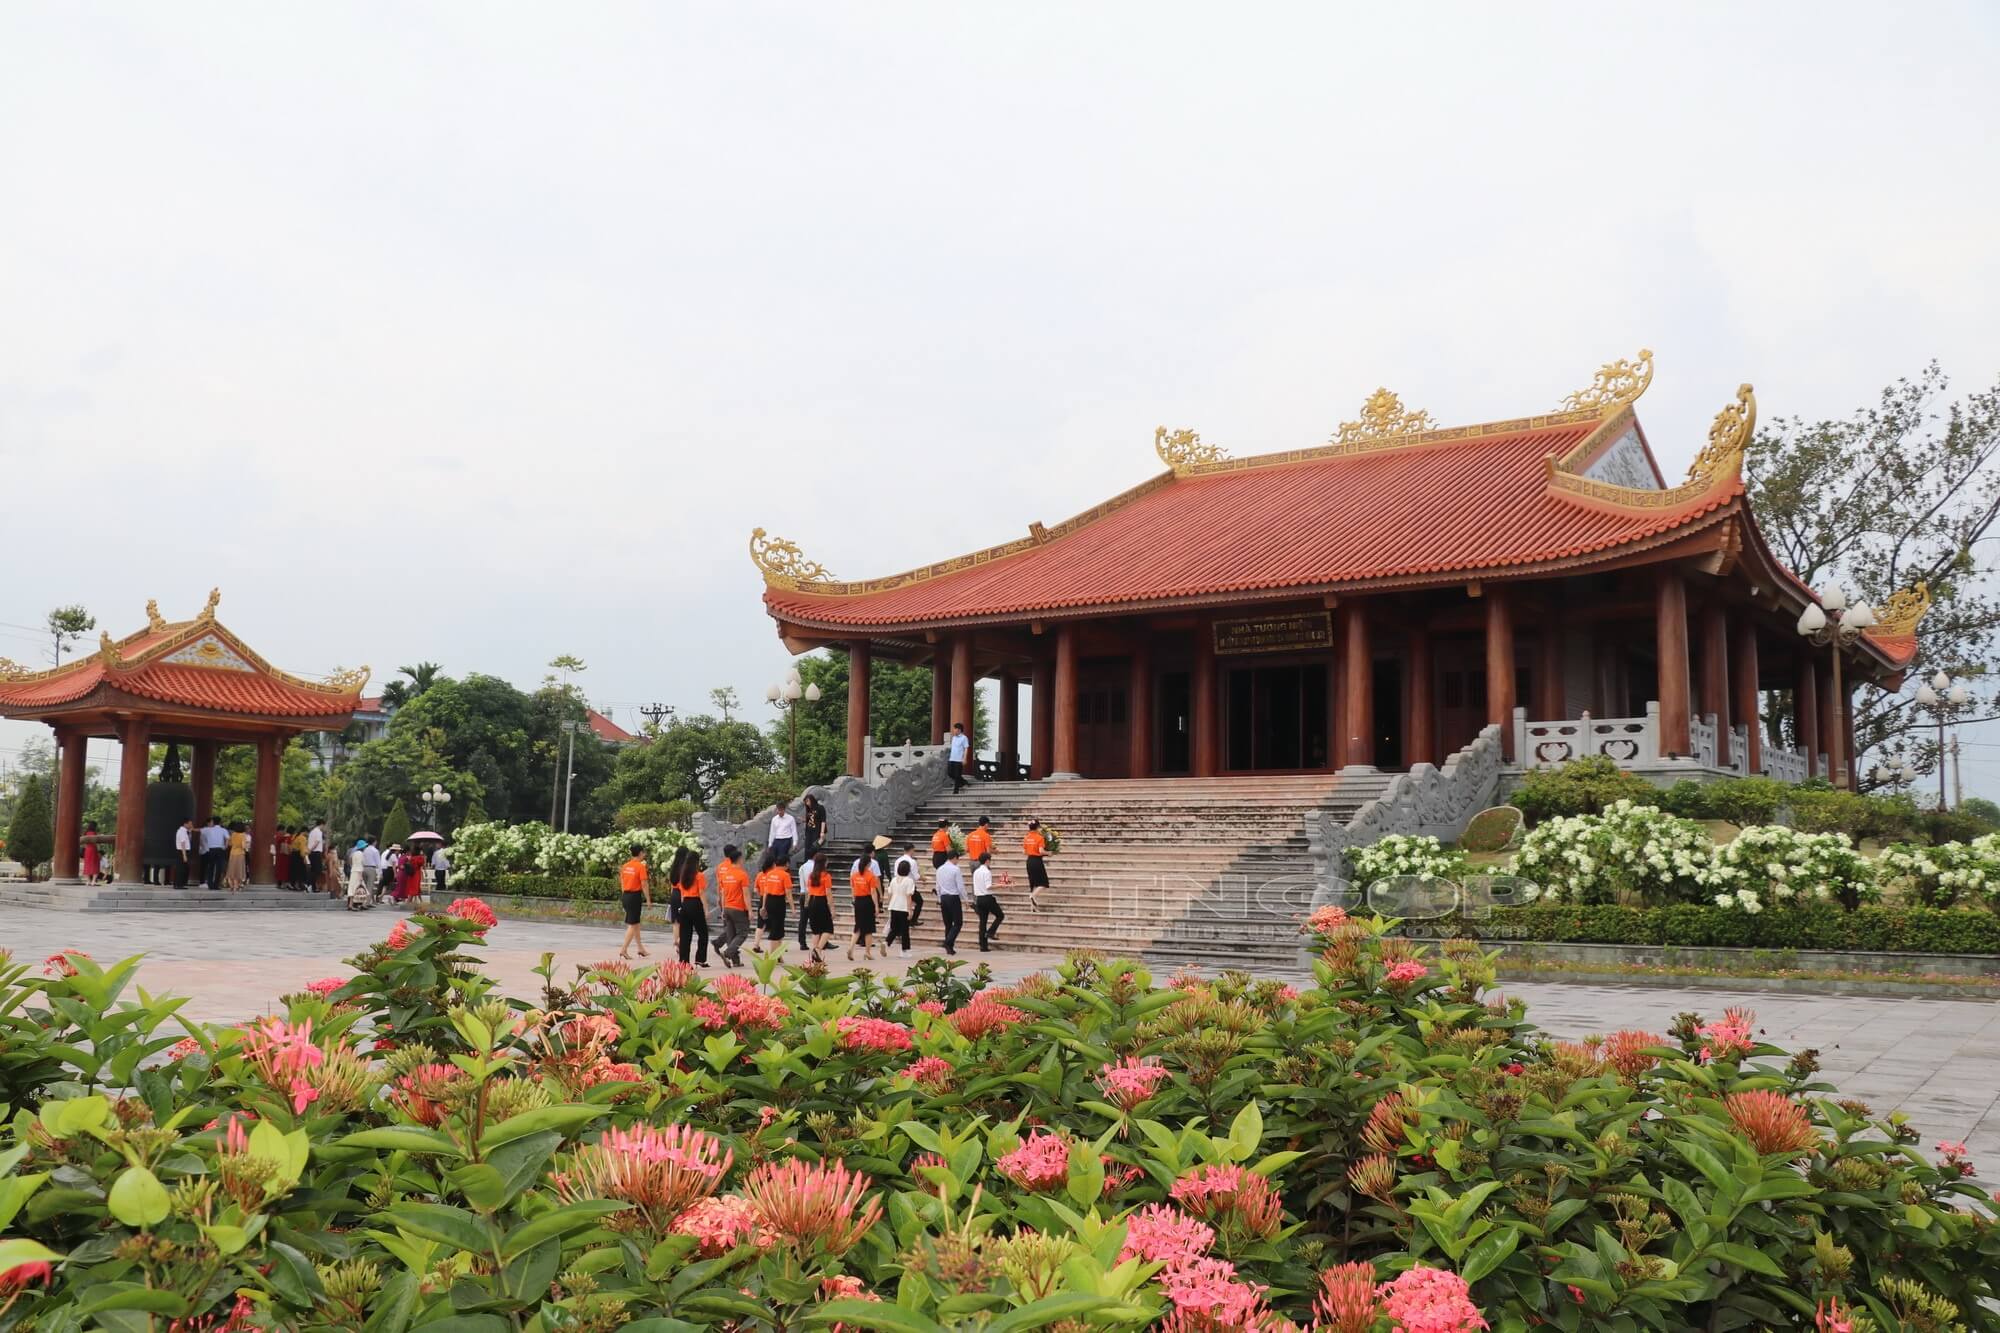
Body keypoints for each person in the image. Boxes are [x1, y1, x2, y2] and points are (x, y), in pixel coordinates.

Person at [714, 844, 752, 968]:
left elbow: (723, 892)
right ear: (739, 859)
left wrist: (723, 909)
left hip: (728, 907)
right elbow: (746, 895)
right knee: (742, 933)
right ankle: (728, 953)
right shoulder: (742, 874)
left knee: (731, 934)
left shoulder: (725, 874)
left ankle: (735, 961)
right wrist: (750, 911)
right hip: (738, 908)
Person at [613, 844, 650, 958]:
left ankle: (640, 948)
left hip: (626, 895)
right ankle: (623, 949)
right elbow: (644, 884)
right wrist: (648, 899)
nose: (644, 854)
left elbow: (622, 882)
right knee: (633, 924)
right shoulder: (640, 867)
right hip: (634, 896)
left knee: (636, 923)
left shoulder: (625, 866)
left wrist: (625, 894)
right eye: (643, 852)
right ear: (640, 853)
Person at [755, 850, 793, 956]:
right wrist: (793, 908)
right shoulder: (785, 875)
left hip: (768, 901)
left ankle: (779, 955)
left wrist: (763, 905)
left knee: (776, 928)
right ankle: (774, 955)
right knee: (777, 929)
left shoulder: (769, 874)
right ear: (787, 864)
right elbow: (788, 893)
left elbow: (766, 891)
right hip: (778, 902)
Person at [847, 851, 880, 960]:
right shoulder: (871, 876)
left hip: (858, 901)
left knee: (858, 926)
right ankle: (867, 952)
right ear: (868, 864)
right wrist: (876, 906)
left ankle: (851, 948)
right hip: (867, 901)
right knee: (869, 928)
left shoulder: (854, 876)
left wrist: (854, 899)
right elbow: (873, 892)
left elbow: (852, 889)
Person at [884, 853, 917, 956]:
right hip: (903, 908)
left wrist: (888, 904)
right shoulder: (909, 881)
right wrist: (910, 910)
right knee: (904, 930)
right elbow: (908, 896)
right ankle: (905, 950)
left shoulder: (894, 880)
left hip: (894, 906)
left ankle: (886, 942)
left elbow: (889, 893)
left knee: (894, 928)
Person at [935, 848, 966, 955]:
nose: (957, 861)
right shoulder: (955, 869)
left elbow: (937, 886)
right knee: (958, 922)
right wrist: (965, 899)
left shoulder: (939, 869)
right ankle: (948, 942)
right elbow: (960, 886)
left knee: (948, 923)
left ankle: (949, 947)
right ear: (954, 858)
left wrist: (939, 898)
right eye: (957, 859)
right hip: (953, 897)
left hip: (943, 897)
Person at [803, 858, 835, 962]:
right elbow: (828, 893)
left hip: (812, 901)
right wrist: (832, 908)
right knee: (828, 928)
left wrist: (807, 903)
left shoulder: (811, 875)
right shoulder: (826, 876)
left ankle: (816, 953)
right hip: (821, 901)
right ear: (824, 863)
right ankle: (818, 949)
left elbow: (808, 891)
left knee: (815, 930)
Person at [972, 851, 1005, 951]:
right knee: (1000, 915)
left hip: (979, 898)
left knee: (983, 922)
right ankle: (991, 932)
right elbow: (988, 886)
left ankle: (983, 945)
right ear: (987, 861)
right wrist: (1000, 886)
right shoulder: (986, 872)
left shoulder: (976, 871)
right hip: (987, 898)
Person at [1023, 819, 1051, 910]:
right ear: (1037, 827)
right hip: (1037, 861)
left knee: (1033, 883)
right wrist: (1048, 853)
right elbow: (1041, 851)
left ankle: (1033, 908)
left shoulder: (1026, 837)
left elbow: (1024, 851)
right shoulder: (1039, 837)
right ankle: (1033, 896)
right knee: (1043, 883)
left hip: (1029, 861)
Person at [896, 842, 925, 929]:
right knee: (919, 901)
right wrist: (924, 878)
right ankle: (913, 920)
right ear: (912, 850)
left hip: (899, 885)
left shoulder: (898, 860)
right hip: (909, 886)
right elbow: (916, 876)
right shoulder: (912, 861)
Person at [794, 849, 817, 950]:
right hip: (811, 894)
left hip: (803, 893)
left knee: (803, 919)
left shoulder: (802, 867)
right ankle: (820, 941)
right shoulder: (814, 867)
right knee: (816, 918)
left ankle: (802, 941)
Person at [346, 839, 375, 910]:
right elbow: (360, 865)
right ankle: (361, 904)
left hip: (353, 871)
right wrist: (360, 875)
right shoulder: (361, 854)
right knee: (361, 889)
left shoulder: (354, 854)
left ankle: (351, 904)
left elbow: (351, 863)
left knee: (352, 888)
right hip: (358, 872)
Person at [767, 801, 797, 868]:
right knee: (774, 857)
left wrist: (795, 843)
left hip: (786, 839)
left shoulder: (790, 818)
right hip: (777, 839)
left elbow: (794, 831)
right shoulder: (774, 819)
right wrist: (770, 844)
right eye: (778, 810)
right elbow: (772, 832)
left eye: (781, 810)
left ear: (784, 809)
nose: (779, 812)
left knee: (782, 856)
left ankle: (785, 871)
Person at [200, 816, 227, 890]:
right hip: (220, 849)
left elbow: (199, 830)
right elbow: (227, 838)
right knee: (219, 868)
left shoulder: (208, 830)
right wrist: (225, 846)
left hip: (211, 849)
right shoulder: (223, 830)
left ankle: (210, 884)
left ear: (213, 822)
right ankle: (216, 885)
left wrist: (192, 829)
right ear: (220, 822)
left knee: (210, 867)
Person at [799, 793, 827, 864]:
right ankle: (806, 863)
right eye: (806, 802)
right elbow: (810, 819)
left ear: (812, 800)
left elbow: (823, 820)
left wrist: (822, 832)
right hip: (809, 831)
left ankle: (815, 862)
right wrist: (804, 820)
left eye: (808, 801)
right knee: (807, 848)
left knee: (814, 848)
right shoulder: (809, 809)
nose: (807, 803)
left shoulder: (820, 808)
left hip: (816, 831)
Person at [947, 721, 971, 794]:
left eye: (955, 729)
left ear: (959, 730)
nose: (954, 730)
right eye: (954, 729)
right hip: (951, 759)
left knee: (957, 775)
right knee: (950, 773)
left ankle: (956, 790)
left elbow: (966, 748)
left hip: (958, 760)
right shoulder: (953, 738)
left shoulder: (964, 738)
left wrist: (964, 758)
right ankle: (963, 782)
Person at [225, 821, 249, 891]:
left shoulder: (233, 834)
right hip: (240, 853)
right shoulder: (243, 835)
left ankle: (231, 885)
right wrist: (247, 844)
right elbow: (244, 846)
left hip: (232, 853)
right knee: (239, 870)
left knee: (232, 869)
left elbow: (230, 844)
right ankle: (237, 885)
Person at [173, 818, 194, 890]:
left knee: (184, 868)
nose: (191, 825)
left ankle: (180, 883)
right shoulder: (181, 831)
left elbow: (188, 841)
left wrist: (190, 832)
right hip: (182, 851)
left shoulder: (185, 832)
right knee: (181, 868)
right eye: (190, 823)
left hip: (184, 851)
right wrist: (184, 855)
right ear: (185, 824)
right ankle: (178, 884)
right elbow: (183, 844)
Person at [80, 821, 102, 885]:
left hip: (87, 850)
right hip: (93, 850)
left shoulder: (86, 833)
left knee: (87, 864)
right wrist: (99, 851)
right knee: (95, 864)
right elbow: (96, 843)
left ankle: (88, 881)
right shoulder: (94, 833)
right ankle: (93, 881)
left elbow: (83, 843)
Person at [308, 820, 327, 891]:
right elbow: (316, 842)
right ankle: (312, 886)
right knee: (317, 870)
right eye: (324, 826)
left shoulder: (311, 832)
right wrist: (311, 849)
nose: (324, 828)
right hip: (316, 853)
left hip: (311, 853)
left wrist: (309, 850)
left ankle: (312, 886)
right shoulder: (319, 832)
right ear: (322, 824)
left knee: (313, 870)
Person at [291, 826, 311, 890]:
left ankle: (294, 884)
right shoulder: (302, 838)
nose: (308, 834)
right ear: (305, 831)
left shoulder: (295, 836)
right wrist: (304, 857)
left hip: (293, 854)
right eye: (308, 833)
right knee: (300, 871)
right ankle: (299, 885)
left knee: (294, 870)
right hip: (298, 855)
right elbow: (303, 848)